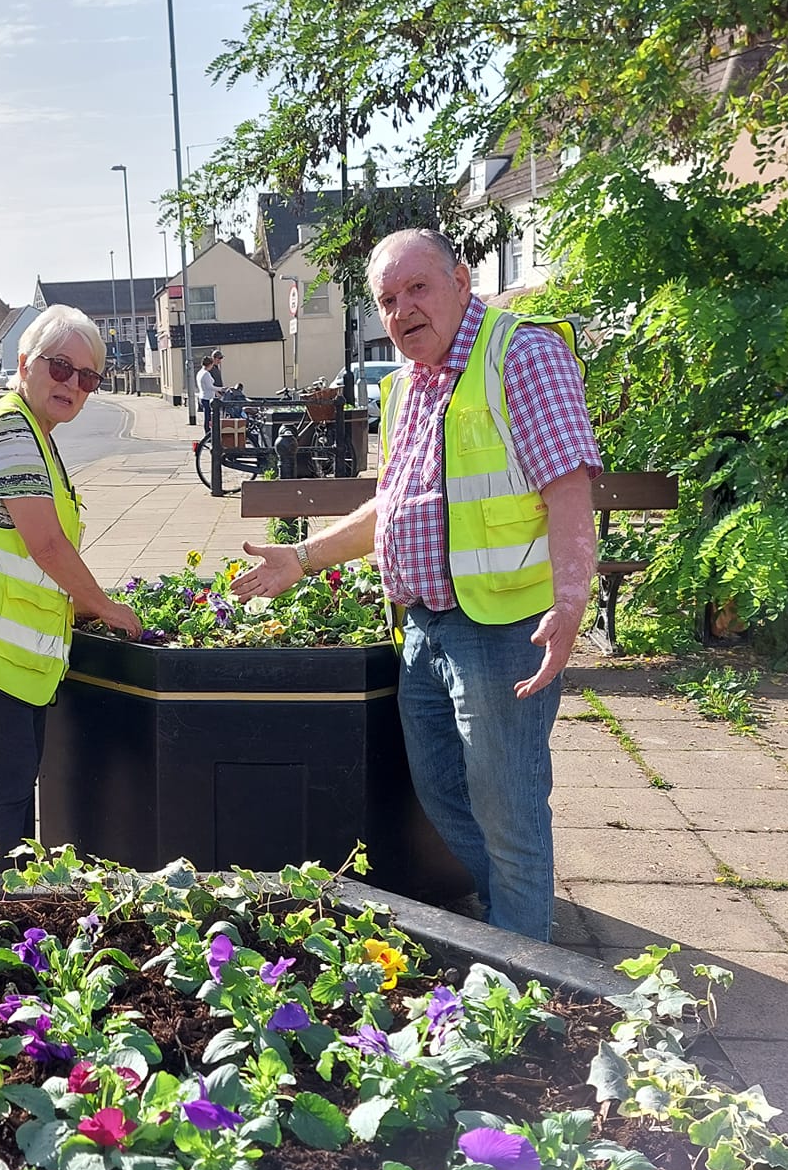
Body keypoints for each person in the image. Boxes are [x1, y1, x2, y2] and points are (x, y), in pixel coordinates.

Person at [233, 228, 599, 943]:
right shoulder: (406, 386)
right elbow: (394, 505)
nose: (402, 312)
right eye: (388, 300)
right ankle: (513, 926)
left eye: (418, 289)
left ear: (462, 282)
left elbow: (569, 488)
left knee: (510, 809)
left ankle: (521, 978)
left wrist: (569, 602)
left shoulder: (520, 355)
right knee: (442, 792)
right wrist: (303, 557)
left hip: (502, 629)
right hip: (424, 627)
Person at [0, 305, 142, 855]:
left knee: (16, 778)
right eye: (60, 367)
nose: (74, 385)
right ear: (23, 363)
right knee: (10, 782)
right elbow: (46, 544)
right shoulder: (10, 432)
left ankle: (11, 901)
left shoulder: (30, 429)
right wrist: (106, 607)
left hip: (4, 643)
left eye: (87, 377)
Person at [196, 353, 217, 434]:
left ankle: (207, 432)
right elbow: (210, 387)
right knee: (208, 417)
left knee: (207, 416)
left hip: (203, 397)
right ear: (210, 364)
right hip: (207, 398)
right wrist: (221, 389)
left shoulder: (200, 372)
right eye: (212, 365)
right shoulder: (206, 373)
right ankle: (208, 433)